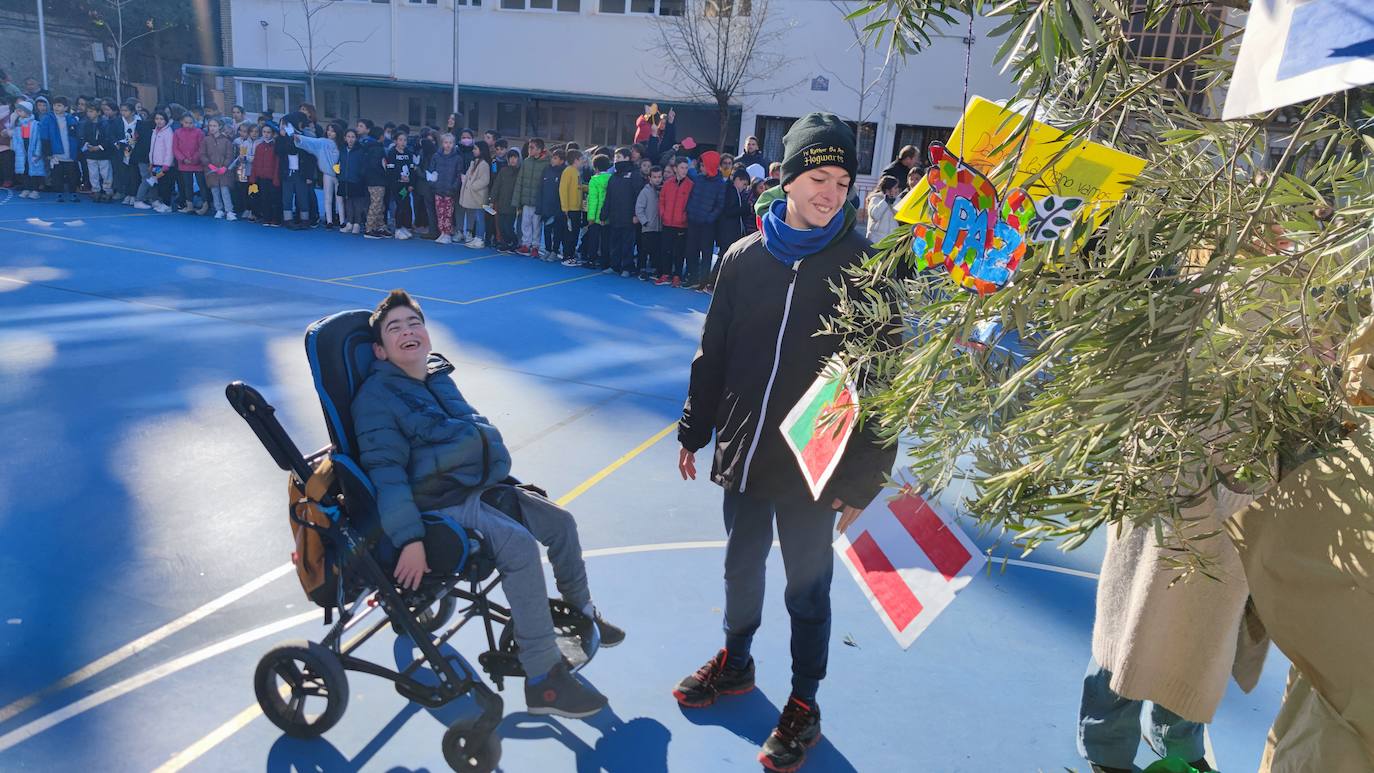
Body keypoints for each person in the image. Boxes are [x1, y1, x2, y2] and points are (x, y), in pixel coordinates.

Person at [673, 113, 897, 773]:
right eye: (818, 176)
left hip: (817, 457)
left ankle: (803, 699)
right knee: (741, 566)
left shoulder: (864, 265)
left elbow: (884, 375)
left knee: (807, 586)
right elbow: (712, 353)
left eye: (841, 180)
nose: (830, 191)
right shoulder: (742, 259)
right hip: (745, 446)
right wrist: (695, 427)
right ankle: (736, 660)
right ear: (789, 177)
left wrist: (865, 477)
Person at [352, 289, 625, 718]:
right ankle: (543, 681)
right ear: (380, 351)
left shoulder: (437, 377)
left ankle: (581, 612)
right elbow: (386, 473)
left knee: (560, 524)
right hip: (436, 500)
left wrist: (508, 484)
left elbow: (471, 436)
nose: (407, 331)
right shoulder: (376, 399)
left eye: (413, 323)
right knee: (517, 545)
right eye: (395, 328)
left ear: (426, 333)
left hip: (473, 485)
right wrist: (409, 539)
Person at [683, 150, 726, 289]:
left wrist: (709, 218)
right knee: (691, 250)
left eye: (703, 166)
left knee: (706, 253)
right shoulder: (699, 179)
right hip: (693, 221)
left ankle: (703, 280)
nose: (701, 168)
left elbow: (720, 205)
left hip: (707, 225)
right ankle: (692, 277)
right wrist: (689, 212)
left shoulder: (720, 183)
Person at [295, 121, 344, 229]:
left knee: (340, 198)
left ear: (337, 133)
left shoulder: (342, 145)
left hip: (340, 175)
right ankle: (329, 221)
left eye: (333, 131)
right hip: (327, 174)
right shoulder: (322, 142)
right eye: (329, 130)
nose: (330, 133)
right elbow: (312, 142)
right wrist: (299, 138)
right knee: (327, 198)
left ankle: (342, 220)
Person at [604, 147, 644, 277]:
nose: (616, 160)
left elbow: (639, 196)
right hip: (615, 215)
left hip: (629, 216)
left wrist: (636, 214)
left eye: (619, 158)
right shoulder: (614, 177)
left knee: (628, 243)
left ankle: (627, 267)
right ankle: (614, 265)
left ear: (627, 158)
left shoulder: (635, 174)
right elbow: (608, 197)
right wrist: (604, 213)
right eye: (615, 158)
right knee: (614, 242)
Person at [655, 156, 692, 286]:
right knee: (665, 249)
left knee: (679, 251)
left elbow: (690, 204)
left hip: (682, 225)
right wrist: (663, 213)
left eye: (686, 168)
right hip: (667, 223)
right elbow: (662, 200)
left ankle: (677, 275)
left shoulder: (690, 185)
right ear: (675, 168)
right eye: (682, 167)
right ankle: (665, 274)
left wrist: (684, 217)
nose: (684, 170)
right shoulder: (668, 183)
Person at [38, 96, 80, 202]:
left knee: (72, 174)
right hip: (56, 154)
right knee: (57, 175)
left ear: (66, 108)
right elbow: (44, 136)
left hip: (70, 153)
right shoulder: (47, 119)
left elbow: (76, 136)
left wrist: (77, 150)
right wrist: (48, 152)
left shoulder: (71, 119)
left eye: (59, 105)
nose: (56, 107)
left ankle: (73, 193)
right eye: (55, 105)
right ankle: (59, 193)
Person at [511, 137, 549, 258]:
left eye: (532, 147)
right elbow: (520, 181)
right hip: (526, 200)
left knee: (536, 225)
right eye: (529, 147)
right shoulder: (526, 162)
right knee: (525, 223)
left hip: (537, 201)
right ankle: (525, 244)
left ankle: (535, 246)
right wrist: (518, 200)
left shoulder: (546, 163)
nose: (529, 149)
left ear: (540, 149)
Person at [384, 130, 421, 240]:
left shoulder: (408, 153)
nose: (403, 142)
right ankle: (398, 229)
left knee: (405, 205)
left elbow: (412, 169)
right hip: (396, 185)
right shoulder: (392, 153)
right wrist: (398, 178)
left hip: (406, 186)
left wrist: (411, 184)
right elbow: (390, 170)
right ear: (395, 141)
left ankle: (405, 226)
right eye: (400, 140)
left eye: (405, 140)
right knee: (399, 205)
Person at [427, 131, 463, 245]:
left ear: (454, 144)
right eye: (446, 142)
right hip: (438, 189)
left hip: (450, 191)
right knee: (439, 212)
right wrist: (433, 184)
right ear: (442, 143)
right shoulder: (436, 156)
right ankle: (442, 232)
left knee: (448, 213)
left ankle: (447, 233)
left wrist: (454, 187)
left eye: (450, 142)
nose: (448, 145)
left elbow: (459, 174)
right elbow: (432, 171)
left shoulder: (457, 158)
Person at [77, 101, 115, 202]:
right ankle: (96, 190)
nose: (89, 114)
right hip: (90, 153)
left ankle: (107, 191)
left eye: (92, 111)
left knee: (105, 173)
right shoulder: (86, 124)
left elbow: (108, 139)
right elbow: (83, 137)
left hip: (103, 154)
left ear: (98, 112)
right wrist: (87, 145)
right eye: (88, 111)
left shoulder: (105, 124)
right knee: (93, 173)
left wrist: (99, 147)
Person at [201, 117, 236, 219]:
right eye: (210, 126)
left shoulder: (226, 141)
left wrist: (225, 167)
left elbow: (229, 155)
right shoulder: (206, 140)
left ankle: (229, 210)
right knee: (215, 191)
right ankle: (219, 209)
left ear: (220, 127)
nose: (212, 128)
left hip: (224, 171)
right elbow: (202, 154)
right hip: (211, 171)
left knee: (225, 190)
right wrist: (209, 165)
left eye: (214, 126)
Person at [172, 112, 208, 214]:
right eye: (186, 122)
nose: (189, 125)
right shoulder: (177, 133)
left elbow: (201, 147)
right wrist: (183, 159)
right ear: (181, 122)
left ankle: (205, 205)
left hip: (197, 163)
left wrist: (194, 159)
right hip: (184, 163)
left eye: (191, 123)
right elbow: (175, 148)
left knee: (202, 184)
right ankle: (189, 205)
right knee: (187, 185)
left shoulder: (199, 132)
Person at [457, 140, 490, 249]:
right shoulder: (474, 162)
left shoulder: (484, 164)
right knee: (477, 218)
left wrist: (472, 186)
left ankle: (480, 238)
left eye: (476, 148)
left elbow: (485, 180)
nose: (473, 150)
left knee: (480, 218)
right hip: (475, 196)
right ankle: (477, 237)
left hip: (479, 197)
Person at [583, 154, 613, 269]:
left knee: (594, 239)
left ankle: (592, 260)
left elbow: (593, 200)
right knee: (606, 240)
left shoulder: (594, 181)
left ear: (595, 168)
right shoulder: (611, 178)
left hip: (596, 217)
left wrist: (590, 217)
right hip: (607, 216)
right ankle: (605, 261)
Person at [361, 124, 390, 239]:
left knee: (379, 204)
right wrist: (385, 175)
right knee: (376, 204)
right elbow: (380, 165)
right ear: (380, 136)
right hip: (377, 180)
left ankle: (379, 226)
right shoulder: (378, 148)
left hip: (370, 179)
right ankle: (370, 228)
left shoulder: (366, 146)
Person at [634, 165, 663, 281]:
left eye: (659, 177)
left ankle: (655, 268)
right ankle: (642, 269)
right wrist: (645, 222)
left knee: (656, 249)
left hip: (659, 227)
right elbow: (639, 208)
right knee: (644, 249)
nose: (657, 179)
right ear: (650, 178)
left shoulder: (662, 191)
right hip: (648, 227)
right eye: (655, 177)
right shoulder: (645, 192)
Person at [337, 127, 368, 234]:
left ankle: (357, 224)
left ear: (356, 138)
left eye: (353, 137)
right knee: (348, 202)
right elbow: (337, 163)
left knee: (357, 203)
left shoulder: (361, 150)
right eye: (348, 137)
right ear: (345, 138)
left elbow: (364, 166)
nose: (350, 139)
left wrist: (361, 176)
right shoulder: (341, 149)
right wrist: (338, 173)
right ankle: (349, 223)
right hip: (345, 180)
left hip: (357, 180)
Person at [10, 100, 44, 199]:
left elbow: (38, 139)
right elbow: (16, 138)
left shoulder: (36, 124)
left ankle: (35, 190)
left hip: (32, 148)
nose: (19, 113)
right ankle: (26, 188)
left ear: (28, 112)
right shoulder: (18, 125)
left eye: (21, 111)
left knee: (33, 170)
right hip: (22, 149)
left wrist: (37, 152)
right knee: (24, 169)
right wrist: (16, 149)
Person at [538, 148, 567, 261]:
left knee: (558, 230)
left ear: (562, 160)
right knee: (547, 230)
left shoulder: (564, 172)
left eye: (555, 158)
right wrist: (540, 206)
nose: (552, 160)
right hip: (546, 206)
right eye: (552, 158)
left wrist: (561, 207)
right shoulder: (546, 170)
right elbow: (541, 188)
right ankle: (548, 250)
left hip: (558, 208)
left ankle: (555, 251)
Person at [251, 123, 282, 226]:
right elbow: (255, 163)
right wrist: (253, 177)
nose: (266, 134)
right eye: (264, 132)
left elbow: (277, 163)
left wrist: (276, 178)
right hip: (262, 178)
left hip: (272, 178)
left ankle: (275, 218)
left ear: (273, 134)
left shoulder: (276, 147)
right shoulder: (259, 146)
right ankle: (266, 217)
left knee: (274, 199)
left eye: (268, 132)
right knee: (264, 198)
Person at [489, 149, 521, 252]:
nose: (512, 160)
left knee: (509, 226)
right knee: (501, 226)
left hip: (513, 204)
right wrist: (492, 199)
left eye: (515, 157)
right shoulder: (503, 170)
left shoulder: (520, 172)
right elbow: (496, 186)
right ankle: (505, 242)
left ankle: (514, 241)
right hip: (501, 203)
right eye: (510, 157)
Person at [558, 149, 586, 266]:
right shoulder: (568, 171)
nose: (583, 162)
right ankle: (566, 256)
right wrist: (565, 208)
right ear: (576, 160)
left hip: (577, 208)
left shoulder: (576, 172)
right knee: (569, 234)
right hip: (570, 209)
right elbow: (563, 190)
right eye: (581, 160)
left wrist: (591, 186)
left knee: (575, 233)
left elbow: (579, 186)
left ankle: (571, 255)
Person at [865, 175, 900, 243]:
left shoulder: (897, 200)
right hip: (876, 240)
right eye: (895, 188)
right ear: (888, 189)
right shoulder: (875, 199)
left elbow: (899, 217)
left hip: (891, 240)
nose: (897, 190)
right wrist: (885, 202)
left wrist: (893, 203)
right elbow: (875, 215)